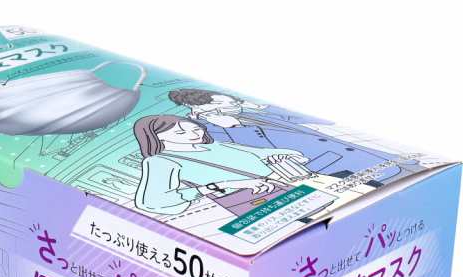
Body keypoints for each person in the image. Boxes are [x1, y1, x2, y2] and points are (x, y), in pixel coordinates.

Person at [168, 89, 419, 186]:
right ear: (201, 107)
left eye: (234, 101)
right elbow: (259, 156)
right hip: (334, 168)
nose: (235, 105)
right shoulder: (205, 131)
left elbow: (306, 121)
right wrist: (235, 126)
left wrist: (260, 108)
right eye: (227, 102)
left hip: (367, 154)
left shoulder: (245, 111)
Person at [133, 115, 306, 216]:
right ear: (157, 136)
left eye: (196, 129)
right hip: (249, 201)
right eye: (180, 132)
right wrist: (224, 185)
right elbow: (152, 201)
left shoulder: (215, 145)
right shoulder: (160, 161)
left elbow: (260, 153)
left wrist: (288, 154)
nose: (194, 134)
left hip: (283, 186)